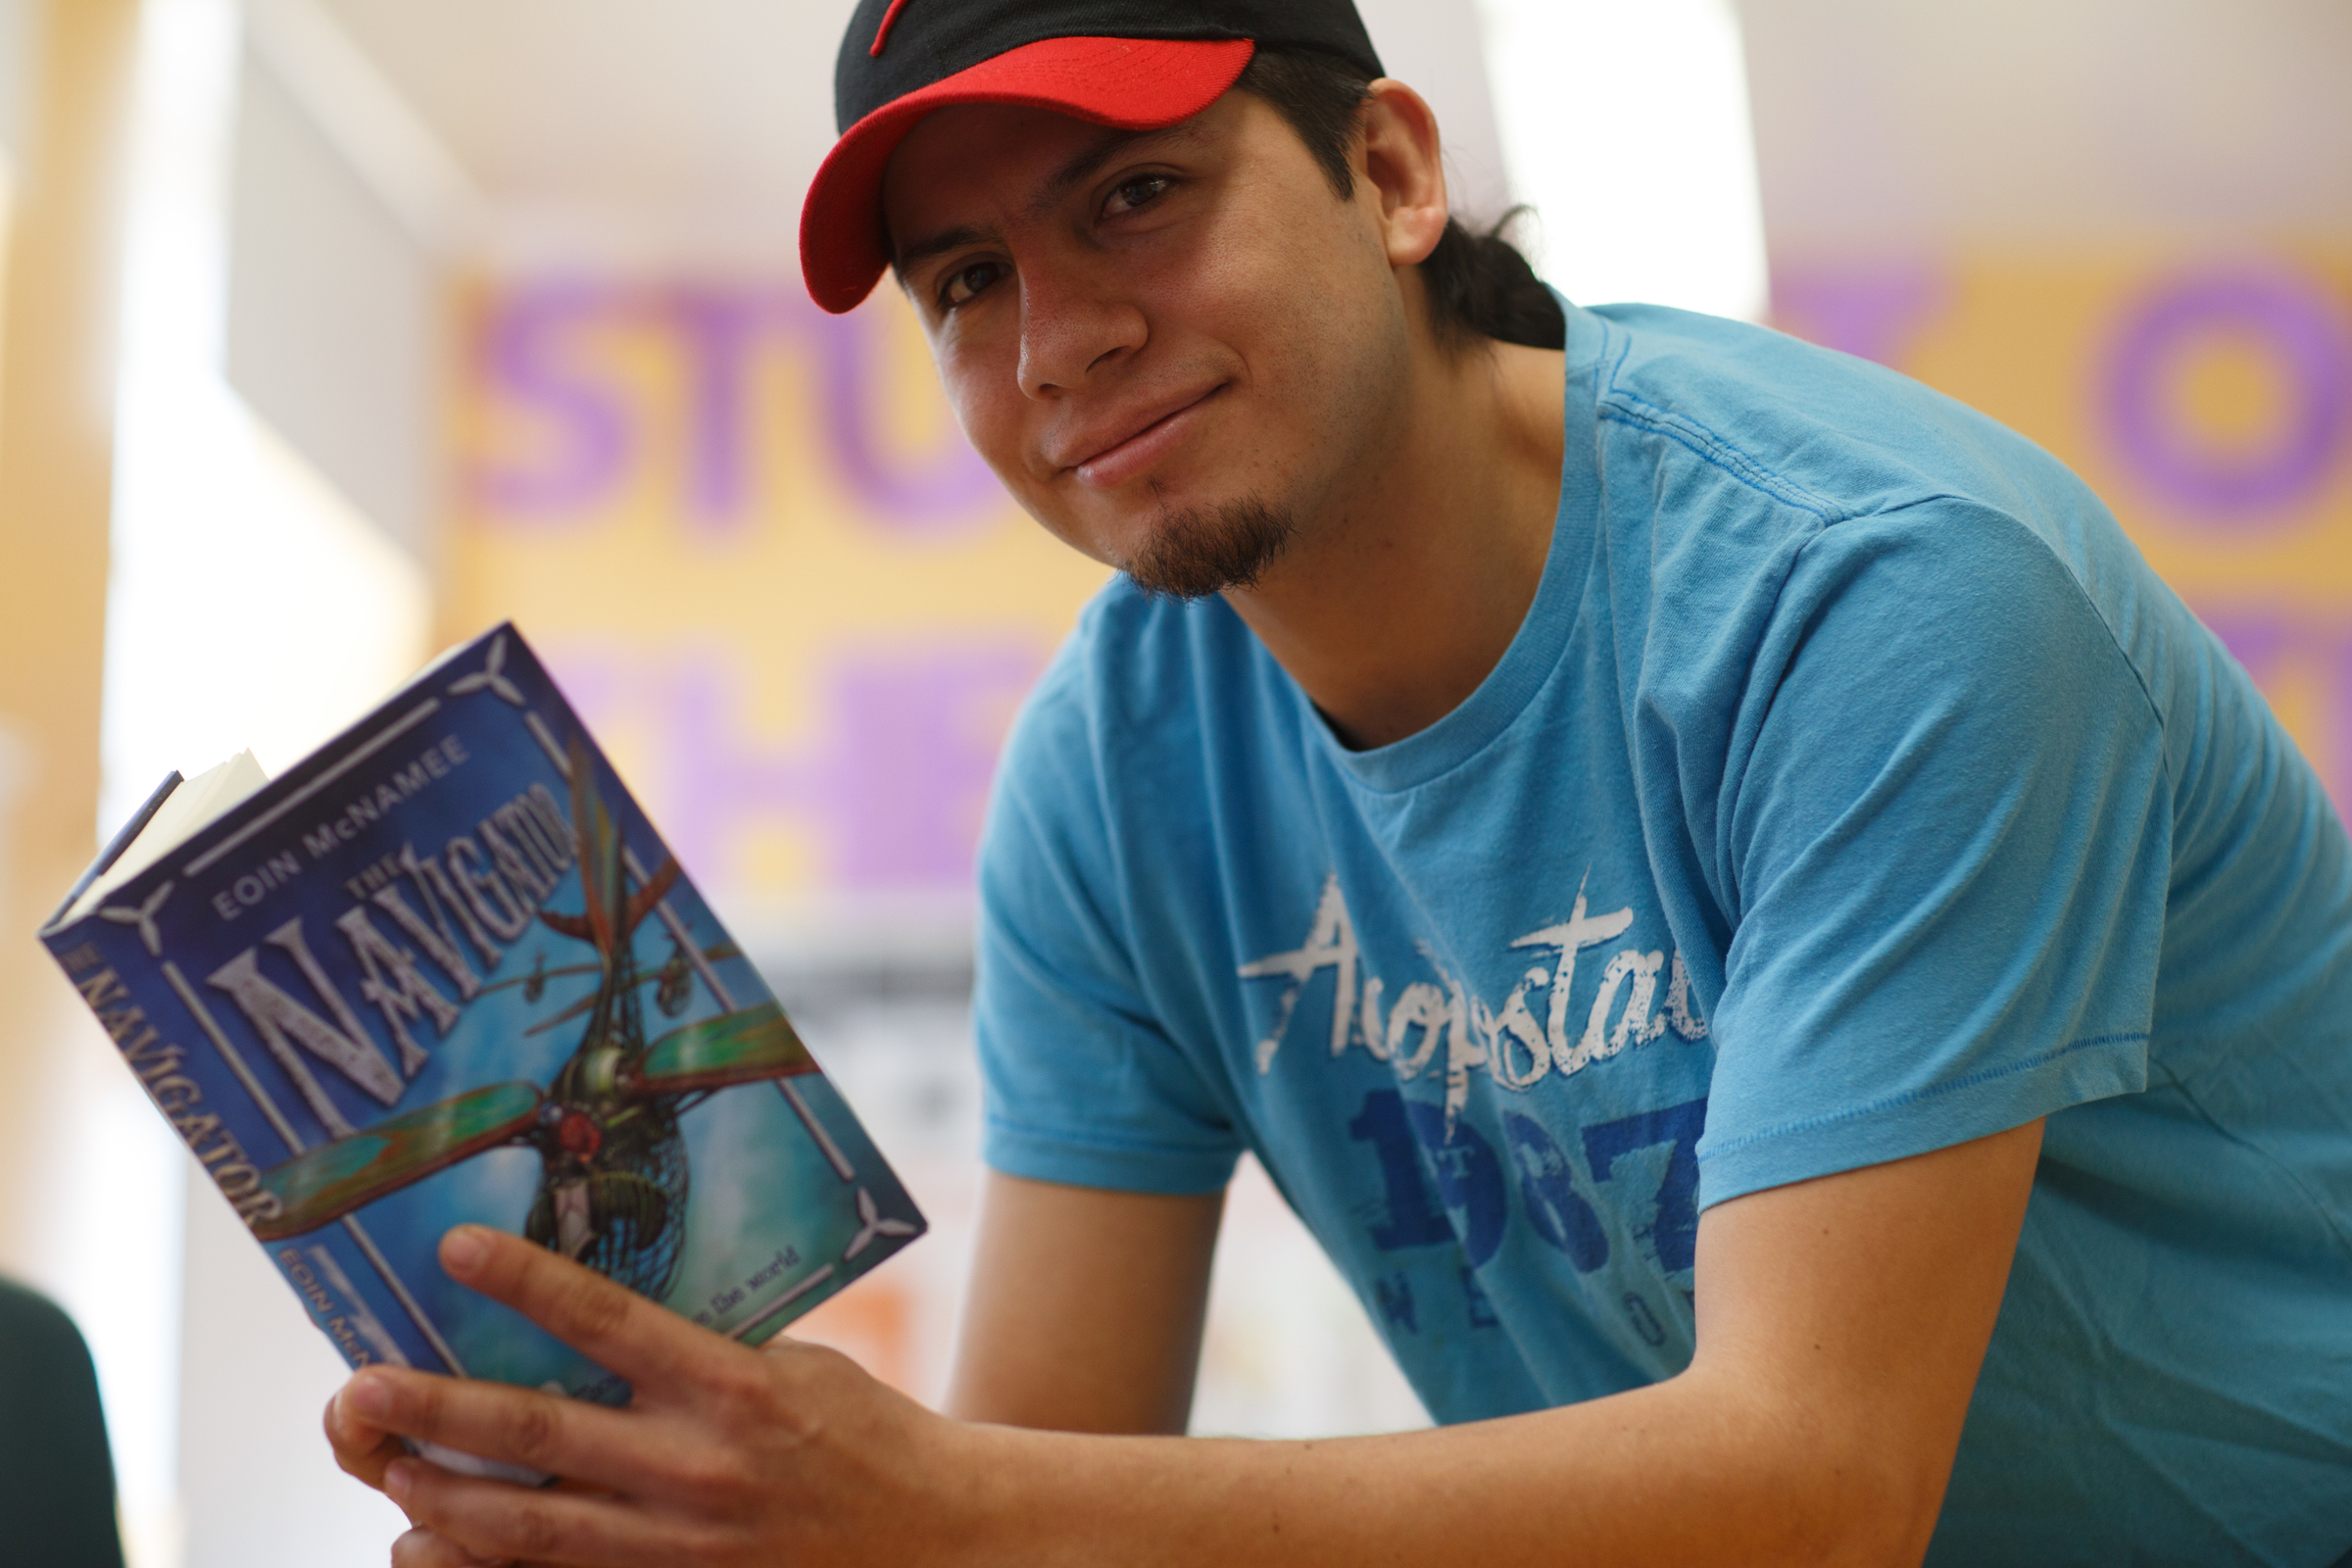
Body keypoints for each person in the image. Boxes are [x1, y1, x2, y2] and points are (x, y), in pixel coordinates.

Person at [326, 1, 2352, 1562]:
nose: (1056, 342)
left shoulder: (1881, 600)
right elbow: (1037, 1487)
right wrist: (713, 1510)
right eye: (966, 282)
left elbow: (1816, 1493)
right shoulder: (1114, 777)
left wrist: (947, 1504)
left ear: (1389, 172)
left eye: (1134, 195)